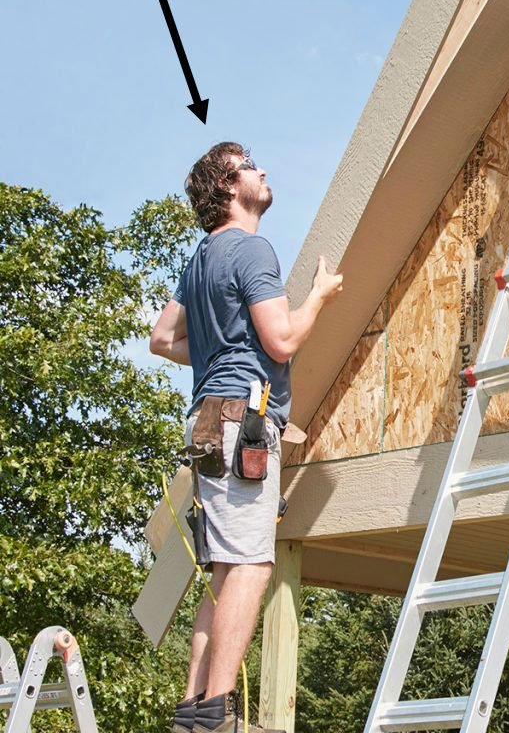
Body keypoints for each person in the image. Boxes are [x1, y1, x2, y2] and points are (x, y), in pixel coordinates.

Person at [150, 142, 344, 733]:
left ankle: (194, 708)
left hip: (207, 420)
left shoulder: (201, 258)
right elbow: (282, 341)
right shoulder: (253, 248)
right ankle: (216, 711)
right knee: (252, 564)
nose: (263, 170)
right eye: (251, 165)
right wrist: (320, 295)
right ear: (231, 187)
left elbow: (161, 338)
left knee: (225, 568)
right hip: (244, 421)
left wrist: (216, 352)